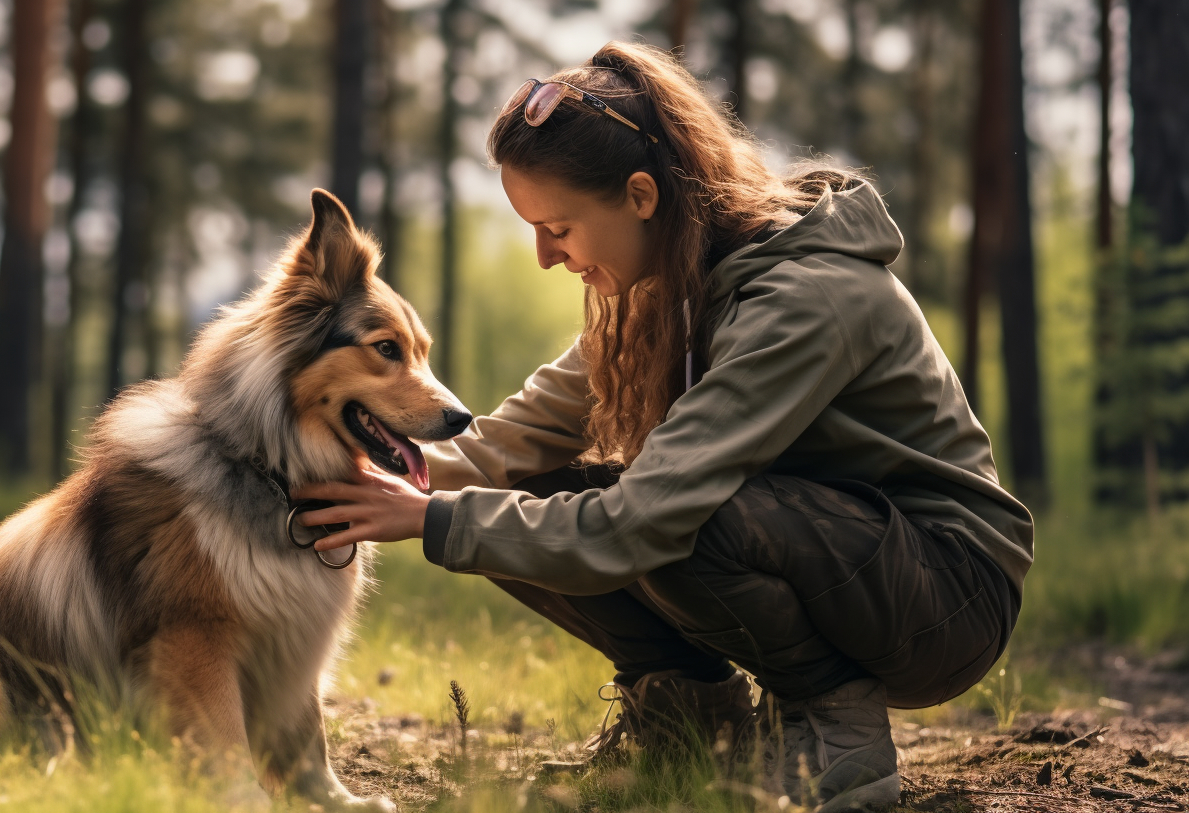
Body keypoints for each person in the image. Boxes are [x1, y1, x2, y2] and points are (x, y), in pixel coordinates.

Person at [294, 41, 1031, 812]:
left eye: (558, 228)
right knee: (511, 490)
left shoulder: (806, 299)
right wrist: (360, 477)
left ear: (641, 196)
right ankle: (689, 725)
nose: (546, 257)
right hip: (834, 553)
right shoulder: (658, 288)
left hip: (946, 594)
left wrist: (431, 518)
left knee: (675, 517)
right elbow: (510, 445)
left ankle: (834, 733)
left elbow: (644, 520)